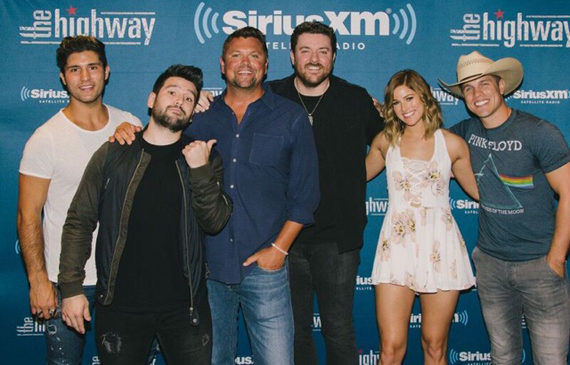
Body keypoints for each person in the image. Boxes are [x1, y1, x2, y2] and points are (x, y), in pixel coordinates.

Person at [111, 27, 320, 365]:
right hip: (204, 274)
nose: (245, 63)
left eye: (254, 55)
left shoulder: (290, 117)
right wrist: (127, 130)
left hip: (265, 269)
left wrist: (278, 250)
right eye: (236, 55)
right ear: (223, 66)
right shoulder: (196, 116)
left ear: (266, 65)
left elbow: (305, 194)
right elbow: (157, 135)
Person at [194, 21, 384, 365]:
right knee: (294, 336)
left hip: (336, 237)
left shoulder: (354, 98)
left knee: (338, 330)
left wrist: (359, 175)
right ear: (291, 57)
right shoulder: (273, 94)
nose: (314, 58)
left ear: (335, 56)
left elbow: (390, 139)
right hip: (285, 241)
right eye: (305, 50)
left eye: (323, 51)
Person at [58, 64, 232, 365]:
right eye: (172, 92)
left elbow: (214, 222)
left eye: (189, 98)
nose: (179, 100)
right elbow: (79, 221)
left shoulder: (204, 157)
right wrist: (71, 288)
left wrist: (200, 171)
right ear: (152, 100)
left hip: (185, 309)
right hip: (121, 309)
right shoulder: (114, 152)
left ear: (193, 113)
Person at [16, 35, 142, 364]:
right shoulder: (46, 139)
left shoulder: (130, 126)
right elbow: (28, 215)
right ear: (63, 77)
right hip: (69, 280)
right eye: (75, 69)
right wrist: (38, 281)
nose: (85, 78)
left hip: (125, 277)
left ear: (107, 71)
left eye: (92, 67)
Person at [440, 51, 570, 364]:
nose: (477, 94)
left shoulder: (539, 132)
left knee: (551, 359)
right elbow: (421, 135)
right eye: (468, 89)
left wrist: (555, 258)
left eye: (484, 84)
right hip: (491, 266)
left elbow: (568, 191)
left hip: (540, 266)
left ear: (502, 86)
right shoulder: (465, 132)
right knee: (502, 357)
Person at [366, 69, 478, 364]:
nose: (405, 108)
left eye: (410, 98)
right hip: (397, 249)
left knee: (435, 345)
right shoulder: (385, 141)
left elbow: (480, 192)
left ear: (425, 97)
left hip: (440, 247)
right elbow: (354, 177)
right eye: (396, 102)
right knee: (390, 348)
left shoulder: (453, 145)